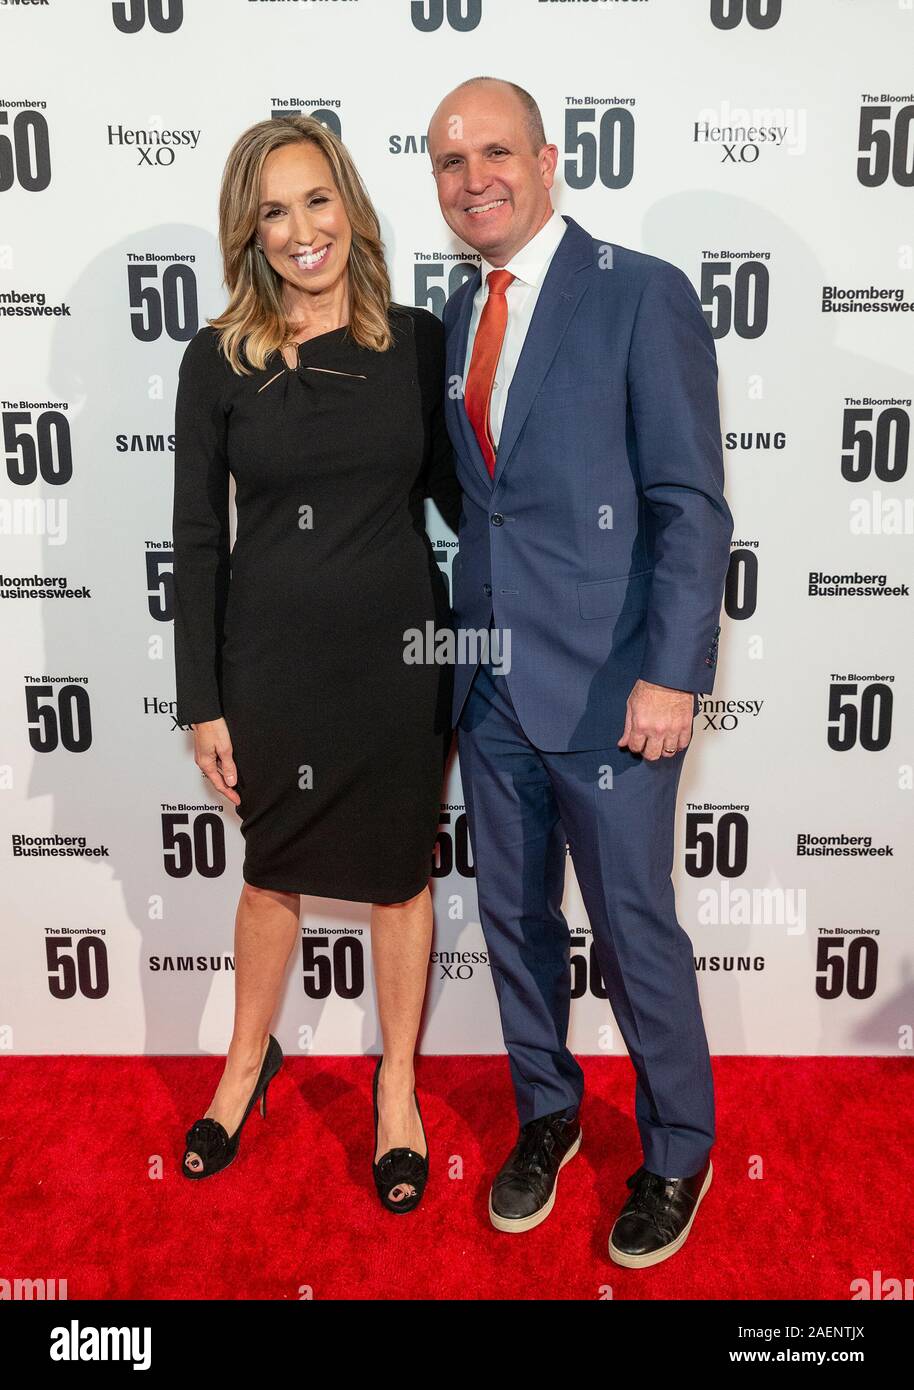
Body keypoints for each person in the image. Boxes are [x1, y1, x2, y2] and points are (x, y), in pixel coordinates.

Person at [427, 77, 734, 1265]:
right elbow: (485, 502)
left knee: (633, 922)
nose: (473, 179)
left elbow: (689, 505)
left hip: (613, 685)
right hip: (491, 680)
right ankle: (546, 1114)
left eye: (494, 152)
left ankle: (675, 1150)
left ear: (548, 160)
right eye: (449, 164)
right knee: (510, 919)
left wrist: (672, 674)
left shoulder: (639, 294)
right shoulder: (460, 312)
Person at [172, 115, 461, 1213]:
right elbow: (197, 537)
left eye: (317, 201)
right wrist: (203, 699)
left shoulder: (417, 343)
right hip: (271, 668)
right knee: (269, 871)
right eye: (275, 212)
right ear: (249, 233)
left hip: (397, 666)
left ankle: (397, 1085)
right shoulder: (220, 360)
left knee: (396, 875)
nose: (302, 231)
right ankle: (246, 1063)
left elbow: (463, 499)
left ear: (349, 203)